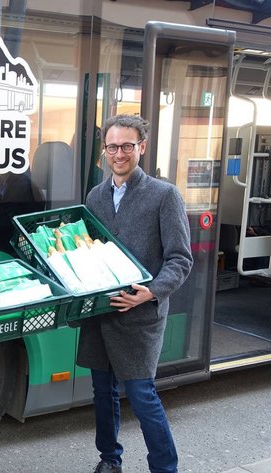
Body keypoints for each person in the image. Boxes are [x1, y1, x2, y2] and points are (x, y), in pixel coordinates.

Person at [79, 114, 193, 473]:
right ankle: (109, 459)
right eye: (112, 147)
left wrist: (151, 292)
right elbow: (88, 252)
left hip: (141, 315)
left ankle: (165, 467)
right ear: (104, 150)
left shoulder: (164, 195)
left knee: (142, 396)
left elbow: (180, 259)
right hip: (101, 313)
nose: (119, 154)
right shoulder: (95, 196)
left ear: (141, 147)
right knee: (102, 392)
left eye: (127, 146)